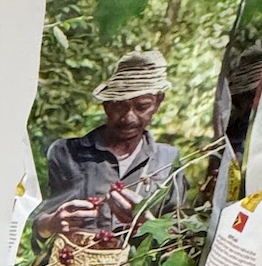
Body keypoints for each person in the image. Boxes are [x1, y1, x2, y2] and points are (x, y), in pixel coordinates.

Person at [32, 49, 183, 238]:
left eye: (142, 106)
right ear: (107, 105)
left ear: (158, 103)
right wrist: (49, 224)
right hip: (78, 263)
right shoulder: (67, 153)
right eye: (120, 106)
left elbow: (178, 239)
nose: (129, 117)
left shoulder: (168, 160)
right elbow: (35, 224)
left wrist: (147, 222)